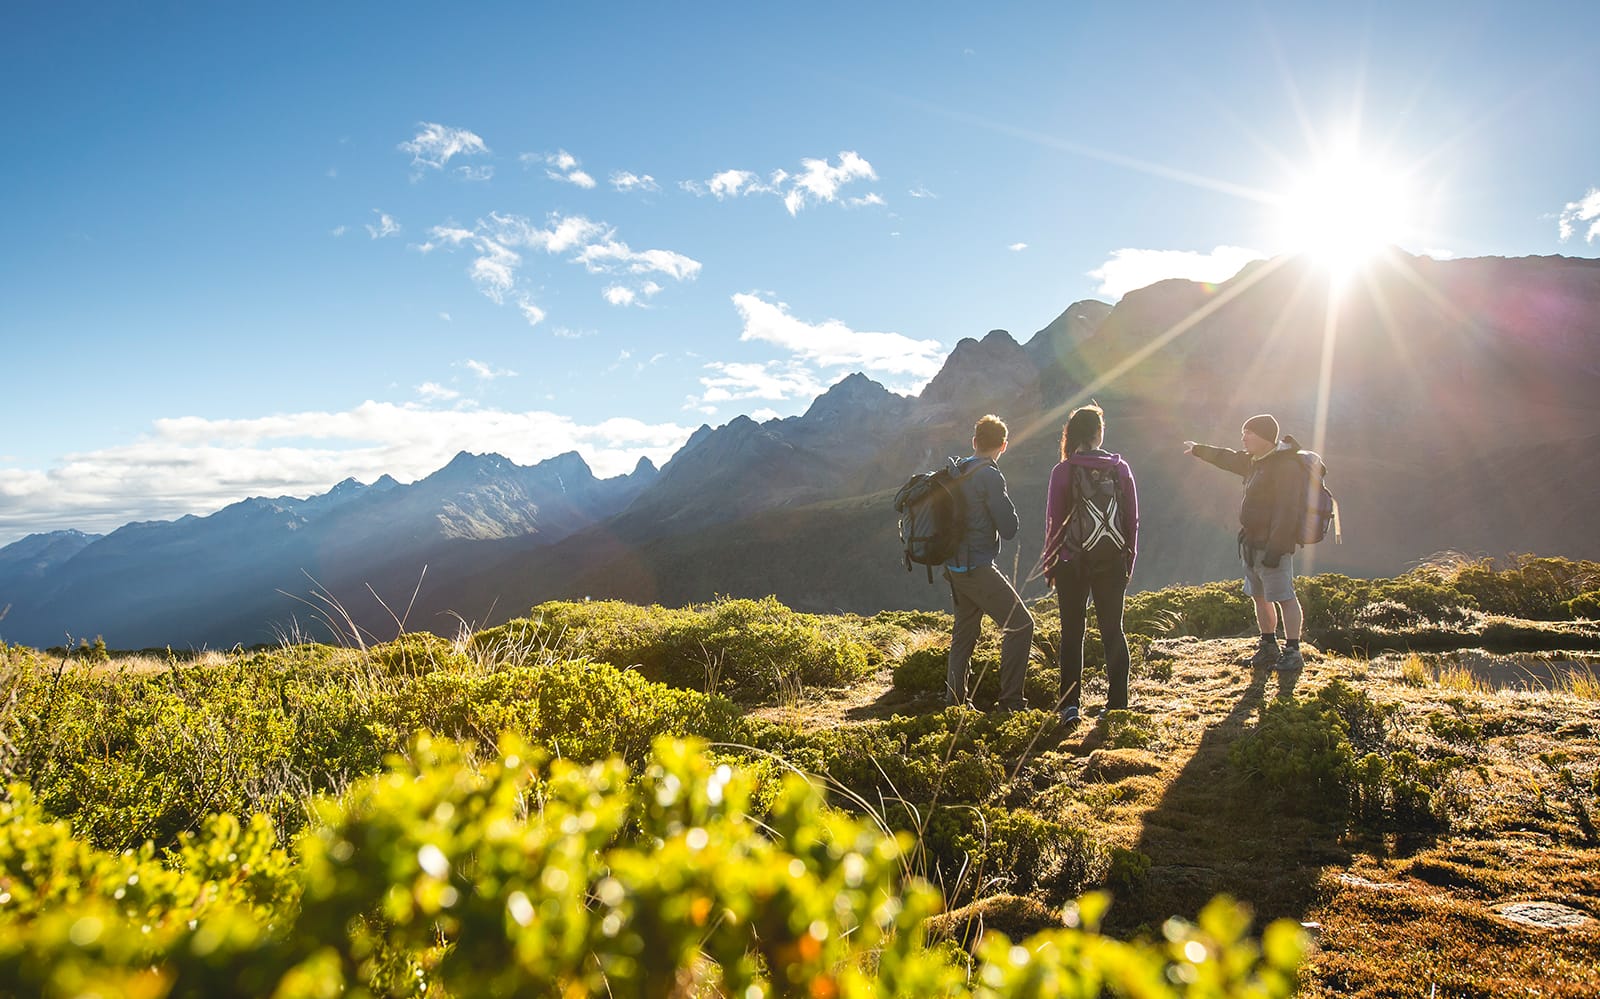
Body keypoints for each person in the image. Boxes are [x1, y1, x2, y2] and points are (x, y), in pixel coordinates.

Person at [1039, 404, 1138, 725]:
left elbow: (1054, 522)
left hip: (1072, 563)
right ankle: (1119, 704)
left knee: (1072, 633)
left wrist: (1050, 563)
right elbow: (1132, 520)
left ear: (1073, 435)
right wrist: (1129, 558)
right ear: (1098, 433)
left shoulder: (1063, 471)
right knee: (1113, 631)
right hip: (1112, 561)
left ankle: (1070, 707)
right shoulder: (1120, 468)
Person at [1184, 414, 1307, 672]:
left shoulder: (1285, 467)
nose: (1243, 438)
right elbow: (1226, 458)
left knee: (1284, 596)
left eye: (1248, 433)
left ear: (1263, 436)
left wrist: (1276, 547)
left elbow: (1288, 510)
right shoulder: (1254, 462)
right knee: (1259, 597)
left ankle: (1293, 651)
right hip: (1251, 545)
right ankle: (1268, 646)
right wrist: (1198, 450)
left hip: (1273, 547)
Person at [945, 414, 1034, 711]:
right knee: (1020, 625)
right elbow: (1008, 529)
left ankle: (955, 703)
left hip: (954, 568)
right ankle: (1010, 702)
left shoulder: (957, 471)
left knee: (964, 634)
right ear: (1004, 446)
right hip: (978, 566)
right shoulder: (990, 475)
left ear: (974, 442)